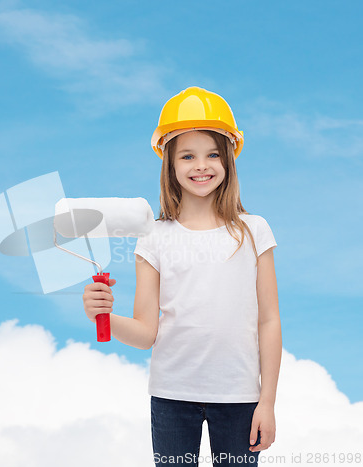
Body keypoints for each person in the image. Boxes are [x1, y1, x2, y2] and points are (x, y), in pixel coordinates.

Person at [82, 86, 282, 466]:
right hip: (172, 396)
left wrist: (267, 401)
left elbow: (269, 320)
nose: (201, 165)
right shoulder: (153, 238)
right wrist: (103, 315)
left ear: (229, 160)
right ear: (170, 164)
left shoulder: (254, 231)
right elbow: (145, 333)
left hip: (240, 397)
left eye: (212, 155)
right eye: (187, 155)